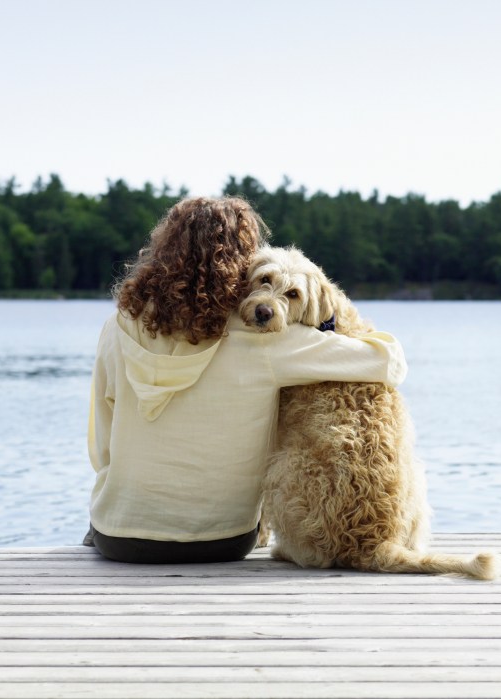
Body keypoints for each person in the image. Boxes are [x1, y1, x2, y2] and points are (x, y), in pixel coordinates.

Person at [85, 196, 407, 563]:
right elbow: (389, 363)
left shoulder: (117, 326)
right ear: (241, 263)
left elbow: (101, 445)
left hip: (119, 537)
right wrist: (333, 318)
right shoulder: (266, 339)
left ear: (161, 250)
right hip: (223, 540)